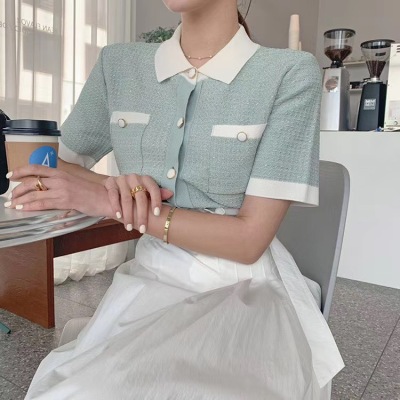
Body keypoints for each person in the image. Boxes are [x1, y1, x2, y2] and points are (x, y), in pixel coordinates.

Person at [7, 0, 344, 398]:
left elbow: (249, 240)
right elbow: (53, 166)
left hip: (241, 290)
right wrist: (114, 187)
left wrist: (110, 201)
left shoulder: (289, 72)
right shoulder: (119, 66)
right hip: (149, 278)